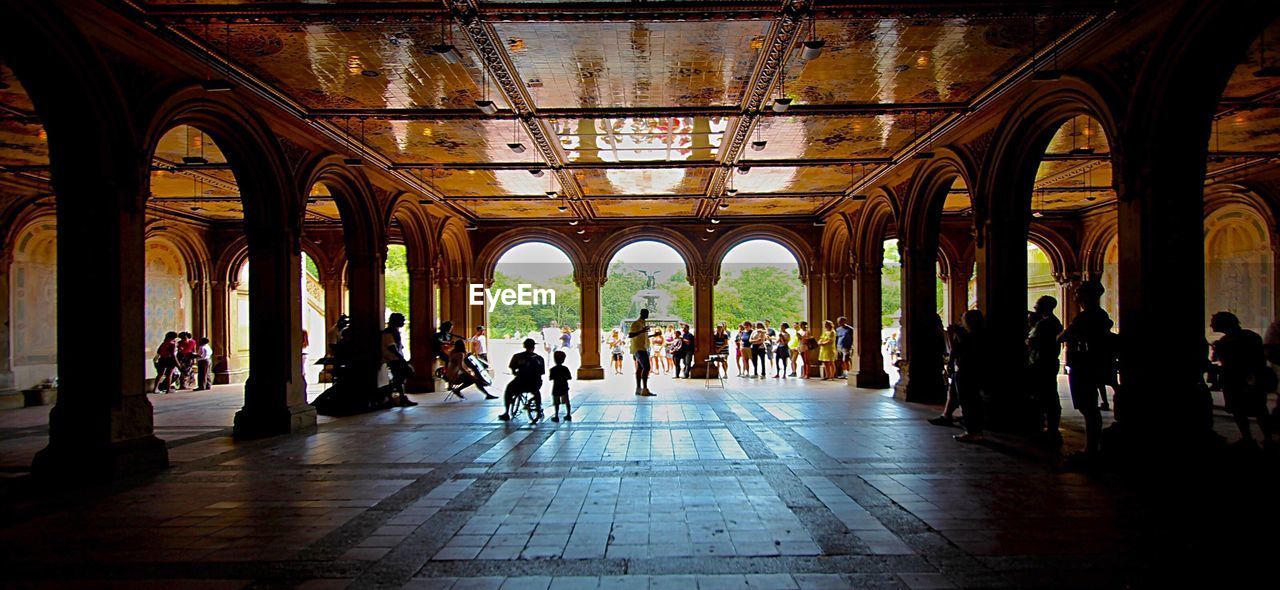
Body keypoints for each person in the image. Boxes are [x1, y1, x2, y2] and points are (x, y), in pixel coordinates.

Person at [1058, 281, 1112, 458]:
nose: (1075, 296)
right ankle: (1091, 446)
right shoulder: (1101, 316)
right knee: (1090, 407)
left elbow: (1064, 336)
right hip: (1092, 363)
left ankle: (1090, 448)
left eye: (1078, 293)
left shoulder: (1085, 317)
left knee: (1088, 407)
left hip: (1084, 365)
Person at [1210, 311, 1276, 449]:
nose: (1211, 325)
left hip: (1235, 382)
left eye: (1214, 322)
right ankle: (1268, 439)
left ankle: (1247, 439)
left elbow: (1226, 363)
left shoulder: (1226, 342)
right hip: (1253, 380)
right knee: (1260, 410)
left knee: (1239, 411)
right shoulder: (1252, 336)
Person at [1027, 296, 1065, 443]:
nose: (1035, 307)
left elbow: (1032, 342)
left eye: (1037, 305)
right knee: (1048, 396)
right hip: (1048, 362)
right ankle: (1050, 428)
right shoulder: (1054, 323)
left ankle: (1050, 430)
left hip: (1041, 363)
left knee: (1046, 397)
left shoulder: (1045, 324)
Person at [952, 309, 989, 442]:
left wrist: (955, 335)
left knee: (968, 401)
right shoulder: (983, 334)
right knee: (974, 401)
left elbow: (958, 352)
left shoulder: (970, 336)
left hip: (967, 372)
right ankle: (976, 430)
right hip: (977, 372)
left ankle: (972, 430)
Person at [501, 338, 545, 422]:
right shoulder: (539, 358)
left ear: (524, 346)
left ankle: (506, 412)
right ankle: (538, 408)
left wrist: (518, 373)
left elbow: (513, 370)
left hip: (520, 382)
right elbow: (541, 373)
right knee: (536, 392)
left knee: (509, 390)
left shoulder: (517, 357)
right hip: (535, 383)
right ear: (533, 347)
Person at [383, 313, 416, 407]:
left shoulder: (394, 332)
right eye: (402, 320)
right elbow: (391, 348)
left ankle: (400, 398)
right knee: (400, 379)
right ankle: (392, 396)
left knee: (399, 380)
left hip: (396, 359)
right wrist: (402, 359)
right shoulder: (388, 333)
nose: (403, 323)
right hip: (394, 359)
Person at [629, 308, 656, 396]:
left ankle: (638, 388)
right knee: (647, 367)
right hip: (639, 348)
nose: (647, 315)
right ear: (641, 313)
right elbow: (630, 335)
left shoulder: (642, 323)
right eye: (646, 313)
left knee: (640, 368)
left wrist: (653, 335)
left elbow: (642, 336)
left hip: (643, 348)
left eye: (647, 313)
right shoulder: (636, 323)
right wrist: (642, 330)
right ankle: (644, 389)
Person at [549, 350, 573, 422]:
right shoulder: (565, 368)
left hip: (556, 387)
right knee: (566, 401)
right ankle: (568, 414)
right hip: (564, 386)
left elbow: (551, 378)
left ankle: (556, 415)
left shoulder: (553, 369)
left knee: (556, 402)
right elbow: (569, 377)